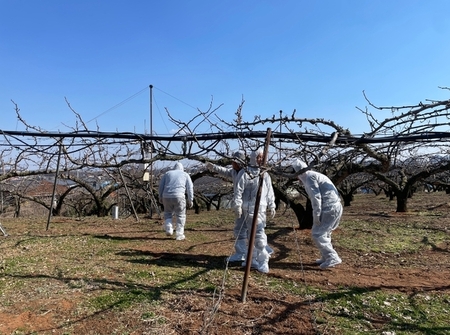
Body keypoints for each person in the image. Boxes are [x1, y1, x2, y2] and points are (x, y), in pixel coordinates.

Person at [292, 159, 343, 269]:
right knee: (325, 233)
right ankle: (326, 257)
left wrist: (316, 215)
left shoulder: (310, 178)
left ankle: (332, 257)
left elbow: (316, 198)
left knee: (317, 234)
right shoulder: (312, 175)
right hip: (333, 206)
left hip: (329, 208)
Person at [234, 149, 276, 273]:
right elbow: (238, 189)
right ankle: (255, 259)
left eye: (263, 157)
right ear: (254, 158)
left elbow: (269, 191)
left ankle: (260, 260)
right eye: (259, 157)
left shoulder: (265, 174)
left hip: (260, 209)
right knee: (254, 235)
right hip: (249, 208)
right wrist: (238, 205)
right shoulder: (245, 172)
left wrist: (272, 204)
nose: (261, 160)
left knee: (257, 234)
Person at [206, 151, 248, 262]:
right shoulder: (235, 172)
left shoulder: (246, 173)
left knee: (252, 229)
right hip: (241, 204)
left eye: (233, 161)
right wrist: (213, 167)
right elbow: (224, 171)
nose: (232, 163)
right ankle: (242, 253)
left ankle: (253, 254)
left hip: (249, 204)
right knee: (240, 229)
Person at [158, 161, 194, 241]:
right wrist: (190, 199)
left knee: (167, 213)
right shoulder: (185, 174)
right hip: (179, 196)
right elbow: (190, 188)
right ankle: (179, 234)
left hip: (166, 196)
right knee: (181, 215)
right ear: (182, 168)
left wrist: (160, 196)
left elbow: (161, 186)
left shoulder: (167, 174)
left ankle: (169, 229)